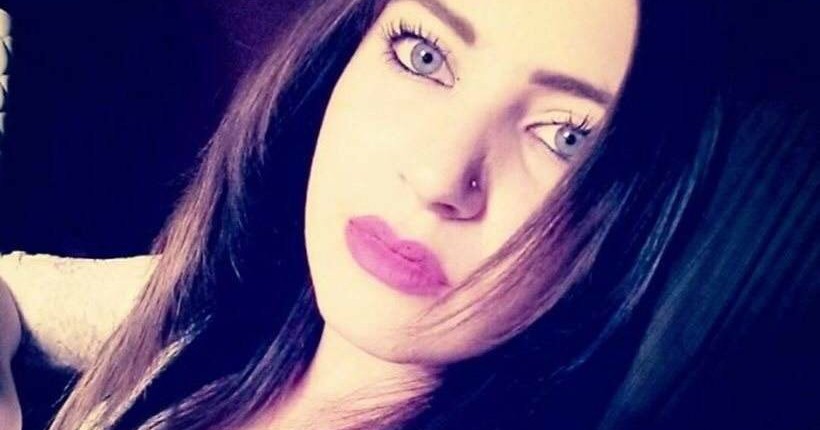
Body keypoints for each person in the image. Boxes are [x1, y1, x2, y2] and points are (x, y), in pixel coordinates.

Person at [8, 0, 800, 428]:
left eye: (566, 137)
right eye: (424, 54)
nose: (436, 175)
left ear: (641, 221)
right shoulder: (221, 314)